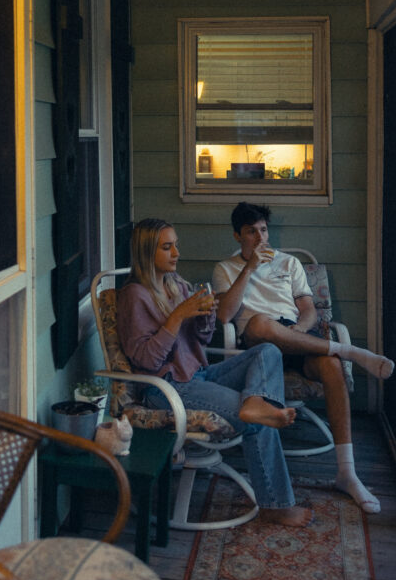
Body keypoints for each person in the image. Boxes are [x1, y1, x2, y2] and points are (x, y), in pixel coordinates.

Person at [117, 217, 313, 528]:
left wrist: (205, 318)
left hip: (199, 375)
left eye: (175, 245)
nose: (176, 253)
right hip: (165, 388)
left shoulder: (177, 284)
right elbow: (147, 360)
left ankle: (255, 403)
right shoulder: (134, 296)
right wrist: (178, 316)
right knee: (260, 417)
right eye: (166, 247)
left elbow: (201, 341)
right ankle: (276, 505)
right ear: (145, 253)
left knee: (267, 352)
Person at [212, 202, 395, 514]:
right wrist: (249, 268)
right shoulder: (224, 269)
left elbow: (309, 309)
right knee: (260, 323)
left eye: (263, 230)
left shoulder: (290, 263)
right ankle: (350, 351)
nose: (260, 238)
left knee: (331, 365)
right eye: (251, 232)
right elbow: (225, 316)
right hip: (256, 347)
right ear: (237, 236)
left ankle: (347, 473)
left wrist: (299, 330)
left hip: (292, 334)